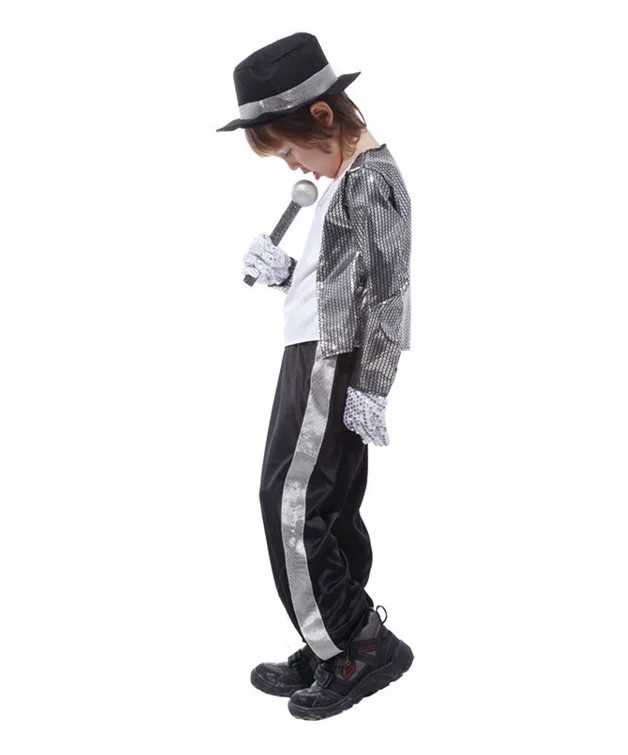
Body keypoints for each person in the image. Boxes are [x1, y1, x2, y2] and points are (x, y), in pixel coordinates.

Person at [216, 31, 413, 721]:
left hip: (332, 358)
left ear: (323, 116)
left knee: (290, 503)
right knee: (323, 504)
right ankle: (334, 635)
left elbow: (388, 294)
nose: (292, 165)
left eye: (289, 151)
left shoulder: (371, 180)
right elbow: (343, 281)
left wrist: (373, 387)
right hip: (315, 348)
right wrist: (287, 275)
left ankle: (356, 643)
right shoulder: (346, 178)